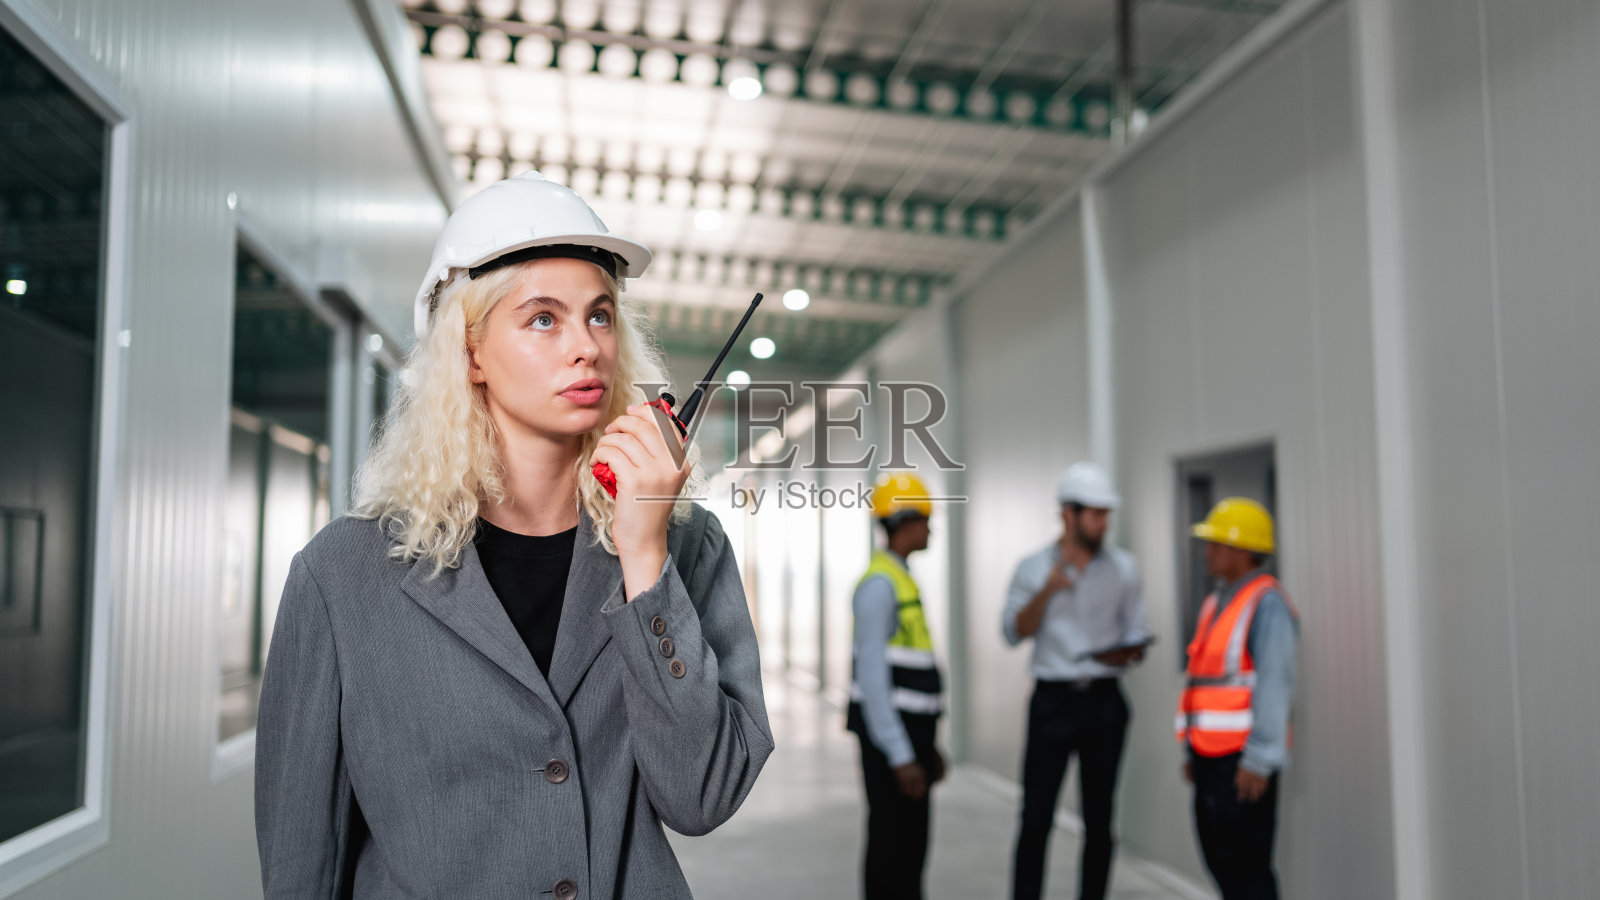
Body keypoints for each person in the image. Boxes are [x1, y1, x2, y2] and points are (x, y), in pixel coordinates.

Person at [254, 171, 774, 900]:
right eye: (543, 319)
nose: (586, 347)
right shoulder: (342, 575)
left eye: (599, 315)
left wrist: (645, 559)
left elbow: (703, 795)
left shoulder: (687, 546)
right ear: (469, 353)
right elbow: (302, 854)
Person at [1003, 462, 1151, 900]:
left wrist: (1130, 649)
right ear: (1068, 514)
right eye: (1095, 513)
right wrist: (1047, 591)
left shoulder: (1124, 569)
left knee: (1100, 821)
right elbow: (1013, 632)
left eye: (1107, 514)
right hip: (1052, 703)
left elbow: (1136, 632)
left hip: (1105, 702)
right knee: (1035, 816)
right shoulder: (1032, 569)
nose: (1103, 522)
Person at [1177, 498, 1298, 900]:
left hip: (1242, 764)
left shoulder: (1267, 603)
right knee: (1222, 863)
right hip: (1209, 760)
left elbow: (1275, 684)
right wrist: (1191, 748)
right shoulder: (1216, 602)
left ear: (1243, 551)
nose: (1207, 552)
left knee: (1248, 872)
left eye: (1216, 543)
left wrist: (1261, 758)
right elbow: (1204, 682)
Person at [847, 472, 947, 900]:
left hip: (909, 736)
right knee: (893, 848)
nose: (930, 528)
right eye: (924, 519)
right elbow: (873, 682)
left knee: (911, 846)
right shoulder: (880, 586)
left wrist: (927, 748)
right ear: (905, 522)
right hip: (892, 740)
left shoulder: (898, 577)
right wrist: (903, 756)